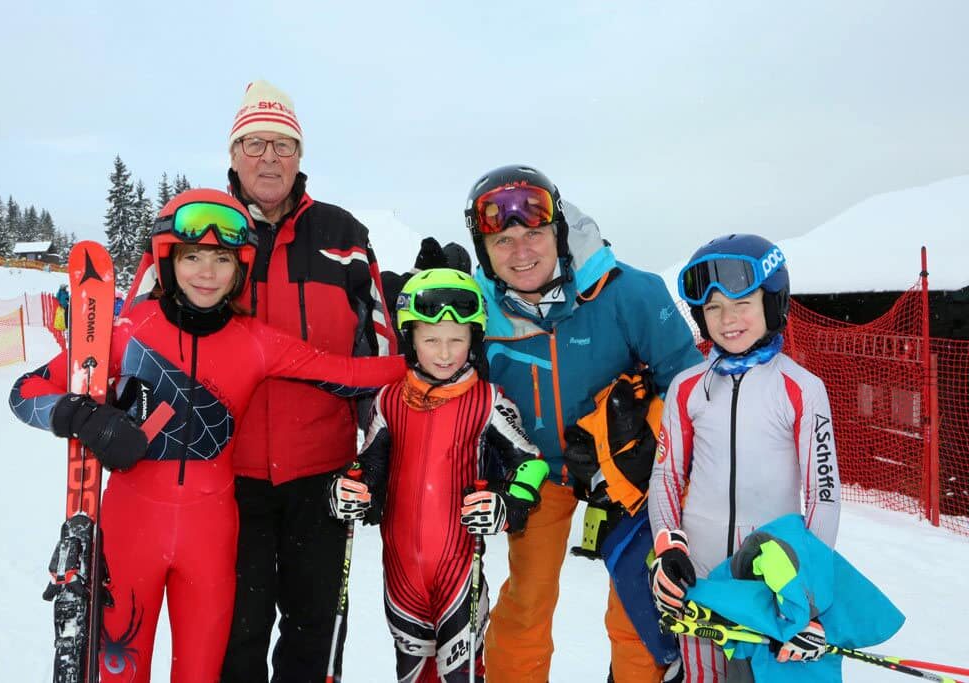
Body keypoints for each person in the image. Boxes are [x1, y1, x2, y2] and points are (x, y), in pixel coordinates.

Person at [8, 189, 406, 683]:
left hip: (212, 540)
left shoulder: (256, 342)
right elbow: (26, 391)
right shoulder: (130, 331)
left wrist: (435, 359)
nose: (205, 272)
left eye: (221, 259)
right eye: (192, 256)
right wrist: (88, 418)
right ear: (167, 260)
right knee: (117, 672)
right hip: (131, 530)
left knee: (200, 673)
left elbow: (348, 372)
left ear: (240, 267)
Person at [463, 164, 703, 683]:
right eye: (503, 239)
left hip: (624, 474)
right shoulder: (479, 313)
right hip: (538, 475)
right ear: (484, 250)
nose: (521, 251)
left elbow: (688, 387)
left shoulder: (627, 293)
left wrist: (643, 440)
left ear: (559, 232)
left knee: (636, 607)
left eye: (533, 233)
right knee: (527, 600)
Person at [216, 79, 397, 683]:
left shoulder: (342, 235)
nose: (270, 158)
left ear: (300, 156)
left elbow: (381, 352)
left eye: (283, 145)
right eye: (256, 143)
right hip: (226, 477)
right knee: (234, 631)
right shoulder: (201, 228)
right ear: (234, 153)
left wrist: (377, 452)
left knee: (313, 632)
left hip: (322, 478)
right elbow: (145, 337)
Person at [327, 268, 548, 682]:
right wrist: (351, 488)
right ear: (411, 340)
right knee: (411, 670)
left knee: (461, 672)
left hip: (460, 569)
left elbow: (532, 463)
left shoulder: (488, 402)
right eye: (431, 340)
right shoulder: (389, 400)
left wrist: (509, 502)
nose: (444, 354)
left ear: (474, 341)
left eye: (456, 340)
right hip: (402, 569)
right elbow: (370, 466)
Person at [648, 233, 841, 681]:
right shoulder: (687, 387)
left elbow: (822, 495)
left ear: (773, 303)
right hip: (700, 578)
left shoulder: (801, 388)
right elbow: (667, 475)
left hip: (772, 583)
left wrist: (806, 598)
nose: (727, 319)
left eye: (742, 304)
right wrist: (667, 548)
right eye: (713, 307)